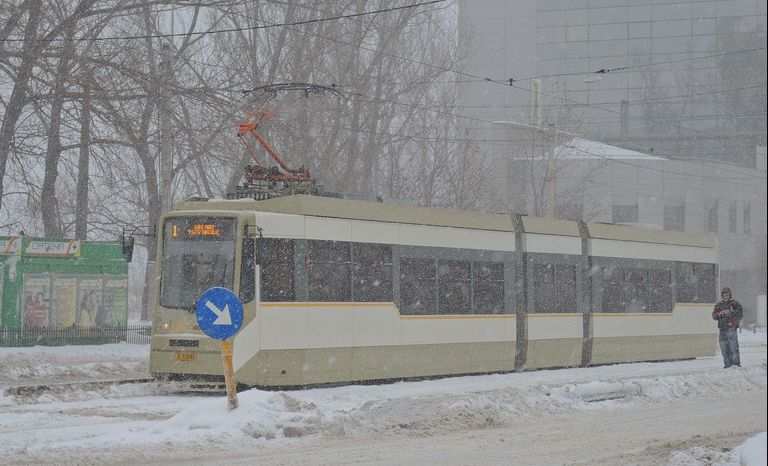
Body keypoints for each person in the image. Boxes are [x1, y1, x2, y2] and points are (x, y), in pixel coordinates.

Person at [712, 287, 744, 368]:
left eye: (727, 295)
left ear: (730, 295)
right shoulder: (719, 305)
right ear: (722, 295)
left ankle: (736, 364)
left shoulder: (735, 304)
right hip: (722, 329)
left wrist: (730, 313)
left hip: (731, 329)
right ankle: (727, 365)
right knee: (724, 348)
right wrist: (719, 314)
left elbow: (740, 314)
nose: (726, 296)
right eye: (724, 295)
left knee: (733, 348)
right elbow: (714, 316)